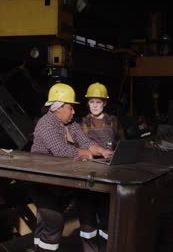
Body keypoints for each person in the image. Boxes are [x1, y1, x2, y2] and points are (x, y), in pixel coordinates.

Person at [30, 83, 113, 252]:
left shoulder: (70, 124)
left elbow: (86, 142)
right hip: (42, 182)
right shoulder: (46, 124)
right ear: (57, 107)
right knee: (54, 223)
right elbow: (60, 150)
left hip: (58, 182)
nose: (74, 112)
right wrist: (85, 154)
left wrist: (103, 151)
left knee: (44, 224)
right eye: (70, 108)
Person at [77, 82, 125, 252]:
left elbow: (122, 145)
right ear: (87, 103)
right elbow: (78, 148)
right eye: (91, 102)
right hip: (88, 174)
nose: (95, 106)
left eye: (98, 102)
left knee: (107, 217)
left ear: (105, 103)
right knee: (87, 219)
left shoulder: (113, 123)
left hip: (108, 174)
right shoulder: (82, 124)